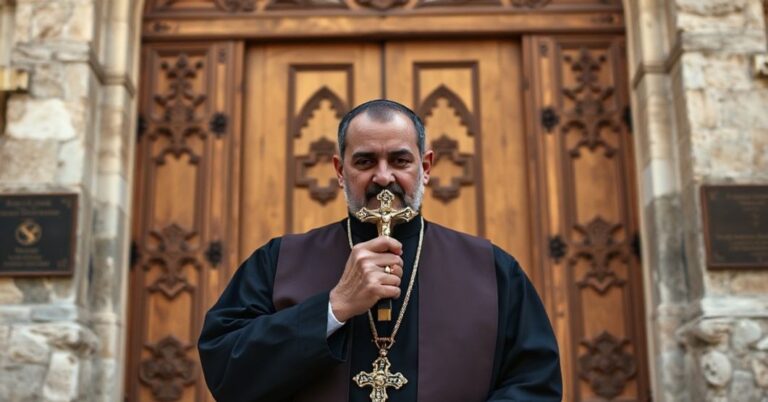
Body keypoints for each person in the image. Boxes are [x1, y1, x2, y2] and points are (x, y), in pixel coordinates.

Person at [198, 99, 562, 402]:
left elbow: (535, 385)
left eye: (400, 161)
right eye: (365, 161)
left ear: (426, 167)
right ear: (341, 171)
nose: (384, 177)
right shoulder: (279, 261)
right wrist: (332, 308)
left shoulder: (491, 269)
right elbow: (224, 369)